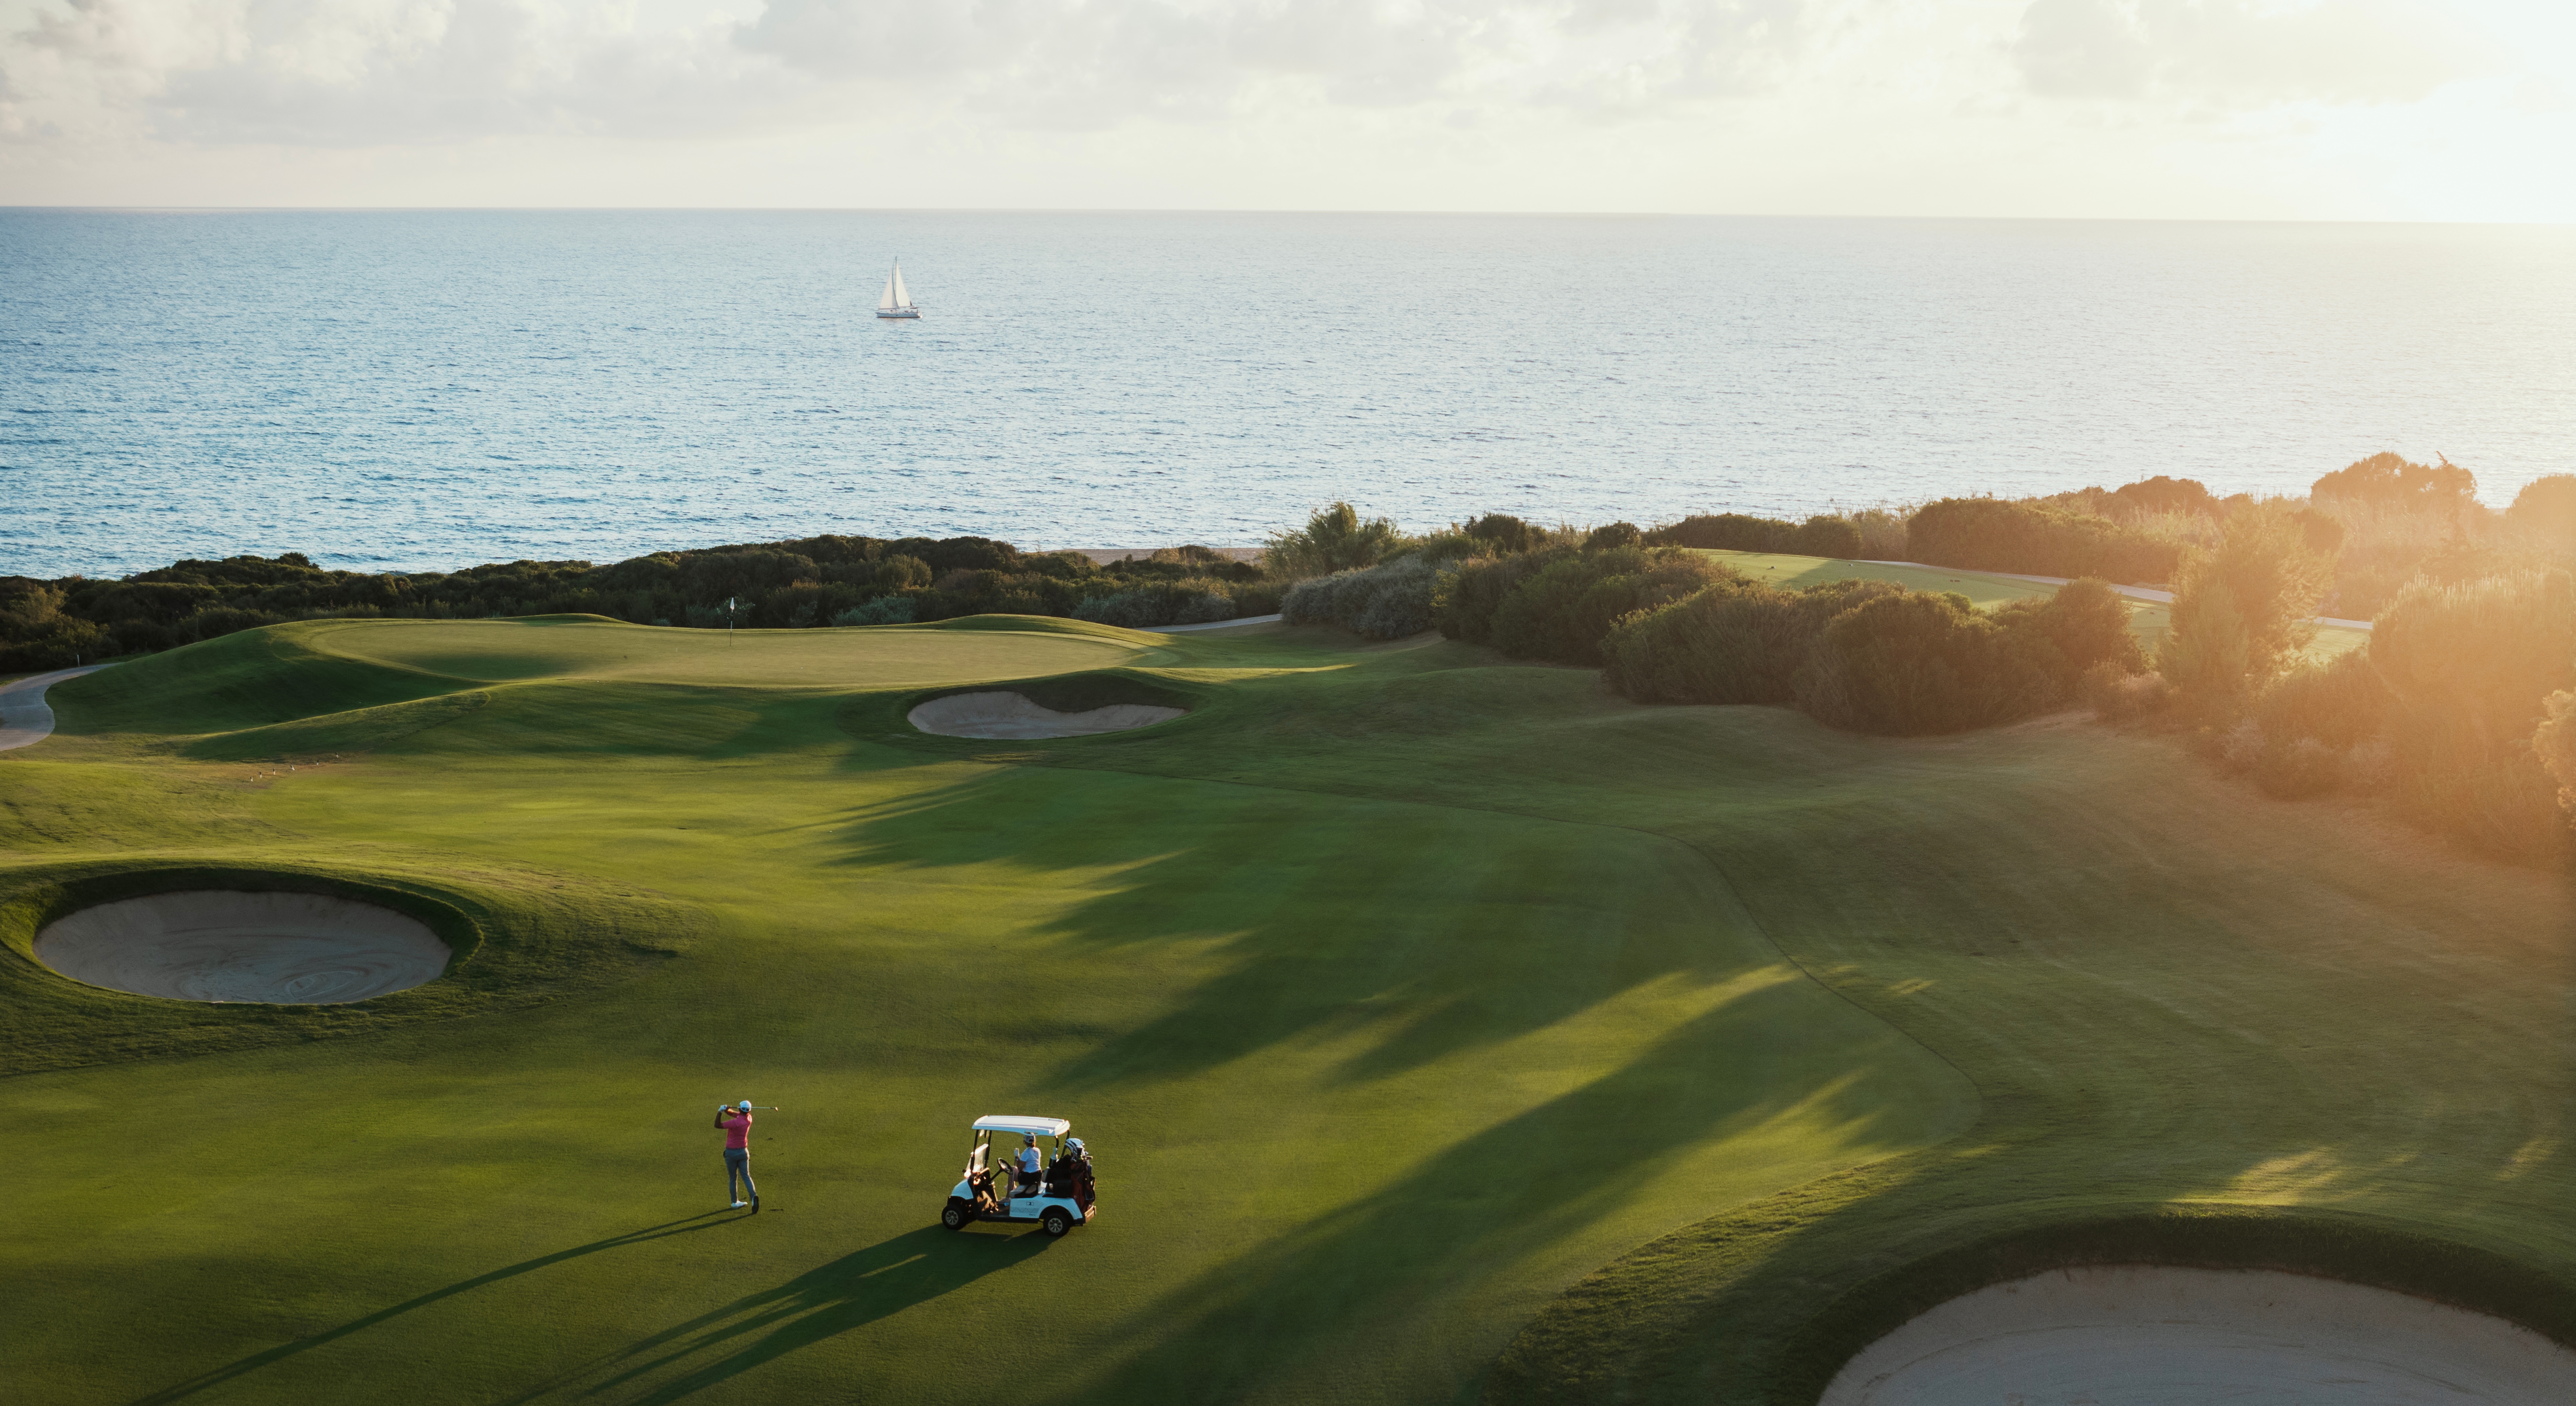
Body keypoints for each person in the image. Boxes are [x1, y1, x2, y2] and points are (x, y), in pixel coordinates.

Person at [714, 1100, 759, 1212]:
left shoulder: (735, 1123)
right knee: (746, 1176)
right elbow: (734, 1114)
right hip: (743, 1152)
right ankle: (753, 1197)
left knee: (733, 1178)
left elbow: (717, 1125)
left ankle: (734, 1202)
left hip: (731, 1153)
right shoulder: (749, 1119)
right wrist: (727, 1110)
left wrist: (720, 1111)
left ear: (740, 1109)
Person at [1013, 1132, 1044, 1198]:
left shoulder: (1026, 1153)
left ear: (1025, 1142)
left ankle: (1008, 1197)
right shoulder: (1038, 1151)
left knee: (1013, 1170)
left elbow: (1020, 1168)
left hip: (1029, 1178)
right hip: (1038, 1176)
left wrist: (1017, 1157)